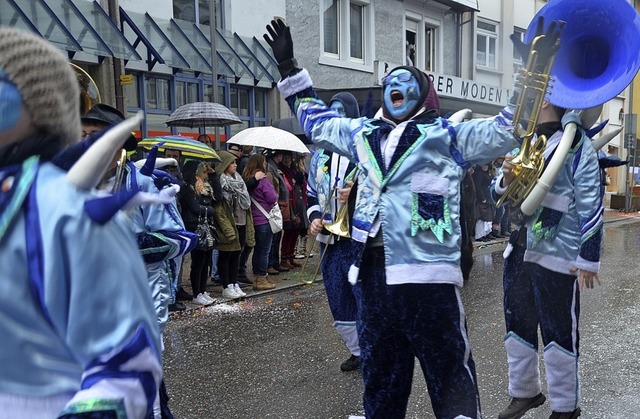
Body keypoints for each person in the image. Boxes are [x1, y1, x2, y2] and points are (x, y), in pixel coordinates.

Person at [264, 18, 530, 418]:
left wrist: (531, 71)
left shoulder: (445, 136)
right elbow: (317, 122)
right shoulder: (364, 133)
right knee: (382, 385)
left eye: (407, 83)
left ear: (423, 95)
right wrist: (289, 69)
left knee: (451, 379)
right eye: (392, 82)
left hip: (429, 279)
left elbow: (509, 127)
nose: (397, 87)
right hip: (372, 278)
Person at [0, 27, 161, 418]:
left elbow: (125, 361)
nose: (90, 139)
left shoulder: (72, 208)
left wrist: (149, 246)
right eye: (86, 131)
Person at [493, 100, 603, 419]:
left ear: (546, 99)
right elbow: (496, 195)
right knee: (517, 322)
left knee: (558, 330)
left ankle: (566, 407)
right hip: (520, 246)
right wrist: (504, 178)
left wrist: (588, 258)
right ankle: (525, 392)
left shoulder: (577, 142)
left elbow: (591, 203)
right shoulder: (527, 140)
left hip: (557, 251)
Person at [307, 91, 362, 372]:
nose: (336, 116)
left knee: (362, 294)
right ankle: (356, 350)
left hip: (357, 239)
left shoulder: (364, 151)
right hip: (329, 238)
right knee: (337, 295)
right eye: (333, 111)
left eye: (341, 110)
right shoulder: (319, 156)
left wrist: (355, 194)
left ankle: (372, 346)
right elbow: (310, 195)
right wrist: (315, 217)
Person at [214, 150, 253, 299]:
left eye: (236, 162)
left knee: (237, 253)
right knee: (226, 255)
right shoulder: (220, 182)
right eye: (232, 162)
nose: (235, 165)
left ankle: (233, 281)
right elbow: (220, 209)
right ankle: (226, 285)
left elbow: (245, 202)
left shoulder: (238, 180)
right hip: (229, 223)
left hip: (241, 220)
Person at [181, 160, 217, 305]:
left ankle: (202, 290)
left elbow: (217, 198)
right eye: (203, 172)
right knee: (198, 261)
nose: (205, 175)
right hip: (194, 226)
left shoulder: (205, 187)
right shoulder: (187, 188)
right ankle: (197, 292)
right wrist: (209, 210)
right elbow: (195, 208)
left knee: (206, 259)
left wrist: (214, 177)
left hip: (206, 225)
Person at [243, 154, 278, 291]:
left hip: (253, 219)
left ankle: (256, 278)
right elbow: (271, 198)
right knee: (264, 251)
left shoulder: (247, 178)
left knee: (257, 250)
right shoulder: (262, 178)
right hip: (264, 219)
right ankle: (261, 278)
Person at [262, 148, 290, 275]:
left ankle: (275, 262)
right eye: (280, 155)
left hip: (278, 204)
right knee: (273, 238)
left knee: (277, 236)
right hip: (274, 206)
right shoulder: (270, 169)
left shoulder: (274, 167)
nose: (281, 157)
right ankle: (271, 264)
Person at [278, 151, 306, 269]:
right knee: (289, 231)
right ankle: (284, 258)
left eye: (289, 157)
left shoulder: (294, 170)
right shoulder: (282, 171)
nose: (287, 159)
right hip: (290, 203)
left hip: (298, 202)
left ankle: (291, 257)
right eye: (285, 157)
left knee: (296, 230)